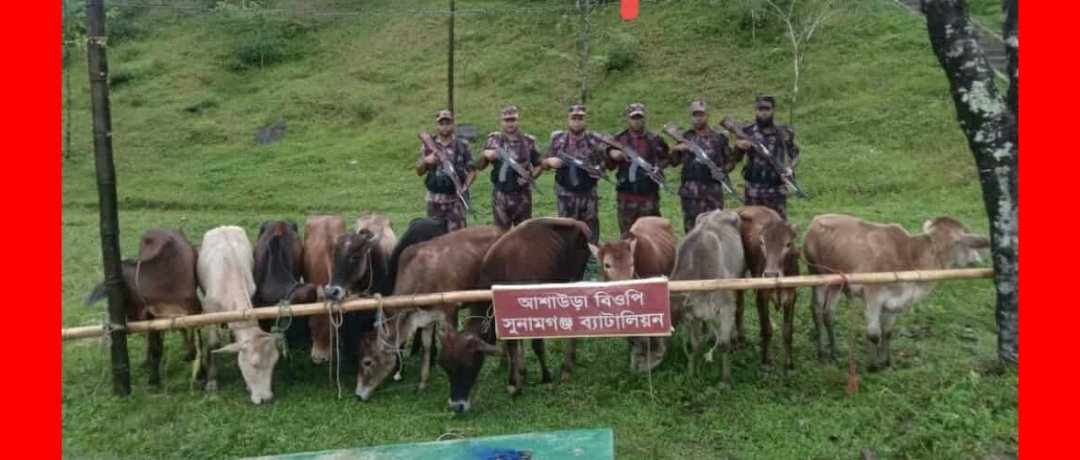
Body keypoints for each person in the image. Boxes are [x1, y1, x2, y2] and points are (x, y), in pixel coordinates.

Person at [541, 104, 607, 278]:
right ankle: (567, 269)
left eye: (580, 118)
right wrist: (550, 161)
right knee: (566, 231)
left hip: (588, 194)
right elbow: (543, 162)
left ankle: (591, 268)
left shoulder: (595, 140)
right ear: (568, 120)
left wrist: (598, 169)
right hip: (565, 194)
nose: (577, 122)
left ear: (585, 120)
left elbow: (604, 164)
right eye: (574, 118)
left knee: (591, 231)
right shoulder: (558, 140)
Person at [732, 94, 801, 221]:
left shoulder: (784, 133)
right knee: (751, 228)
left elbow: (795, 154)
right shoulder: (746, 131)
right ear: (756, 110)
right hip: (753, 190)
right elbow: (736, 159)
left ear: (773, 110)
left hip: (776, 191)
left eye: (767, 109)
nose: (764, 113)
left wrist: (790, 168)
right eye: (761, 109)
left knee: (777, 228)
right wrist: (738, 147)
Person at [670, 100, 734, 233]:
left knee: (715, 231)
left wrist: (722, 171)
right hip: (690, 194)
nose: (698, 119)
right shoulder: (684, 137)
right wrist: (676, 150)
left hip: (713, 192)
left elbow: (731, 162)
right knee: (692, 232)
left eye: (701, 115)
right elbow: (674, 162)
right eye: (695, 115)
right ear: (691, 117)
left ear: (707, 115)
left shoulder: (719, 138)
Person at [606, 102, 671, 234]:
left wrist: (658, 167)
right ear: (628, 119)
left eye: (639, 118)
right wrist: (612, 154)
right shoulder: (619, 139)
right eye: (633, 118)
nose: (636, 121)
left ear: (644, 118)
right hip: (626, 198)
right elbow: (609, 165)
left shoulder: (655, 139)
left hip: (649, 197)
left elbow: (666, 158)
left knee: (651, 236)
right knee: (627, 236)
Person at [475, 106, 543, 229]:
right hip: (500, 195)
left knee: (523, 234)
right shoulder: (492, 141)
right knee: (500, 235)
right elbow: (479, 166)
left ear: (518, 121)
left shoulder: (529, 141)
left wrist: (530, 176)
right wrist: (485, 154)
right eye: (507, 120)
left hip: (522, 196)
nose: (510, 123)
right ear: (502, 122)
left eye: (513, 120)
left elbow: (539, 165)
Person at [415, 109, 475, 231]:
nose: (444, 127)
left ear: (452, 124)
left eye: (447, 123)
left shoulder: (462, 145)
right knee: (435, 238)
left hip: (455, 201)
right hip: (434, 201)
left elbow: (472, 171)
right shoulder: (428, 146)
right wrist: (427, 160)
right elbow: (419, 171)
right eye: (441, 124)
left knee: (458, 239)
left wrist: (465, 186)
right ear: (437, 125)